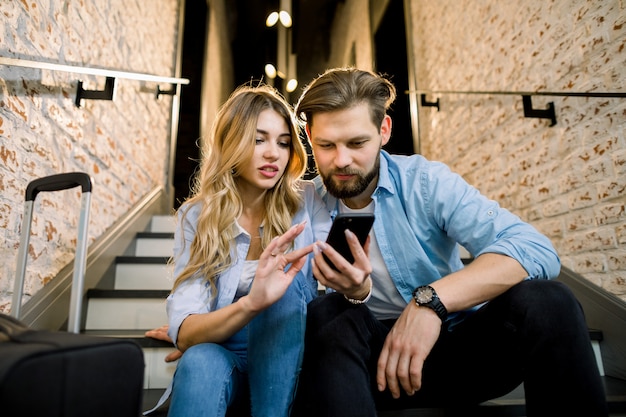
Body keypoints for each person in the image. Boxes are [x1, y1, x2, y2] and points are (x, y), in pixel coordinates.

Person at [291, 67, 608, 417]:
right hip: (372, 370)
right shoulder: (305, 203)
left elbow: (536, 249)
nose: (341, 160)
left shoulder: (425, 182)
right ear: (309, 136)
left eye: (357, 143)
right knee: (328, 313)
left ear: (383, 131)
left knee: (551, 299)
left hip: (459, 354)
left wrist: (431, 304)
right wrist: (354, 292)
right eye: (326, 145)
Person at [146, 83, 331, 417]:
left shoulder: (306, 199)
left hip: (290, 353)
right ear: (232, 142)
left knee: (283, 286)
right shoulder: (197, 215)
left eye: (283, 142)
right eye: (258, 139)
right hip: (224, 353)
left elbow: (331, 284)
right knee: (200, 359)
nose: (273, 153)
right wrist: (250, 304)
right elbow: (188, 331)